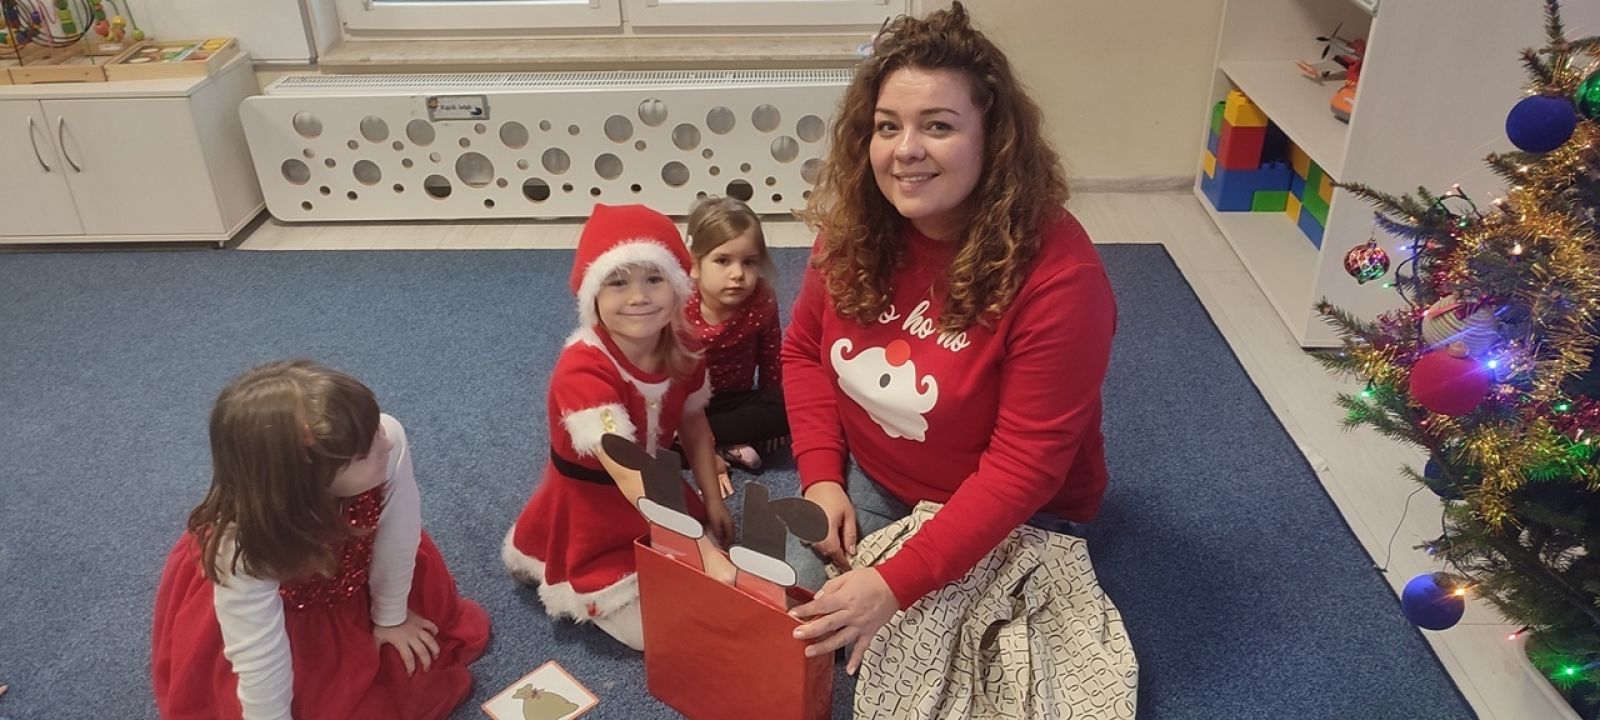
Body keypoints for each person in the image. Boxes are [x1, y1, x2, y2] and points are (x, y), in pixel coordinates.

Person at [781, 1, 1118, 675]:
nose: (906, 150)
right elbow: (803, 354)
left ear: (993, 139)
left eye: (938, 125)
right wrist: (821, 479)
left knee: (945, 673)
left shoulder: (1062, 278)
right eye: (888, 126)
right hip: (879, 480)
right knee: (791, 612)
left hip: (1020, 509)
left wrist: (896, 583)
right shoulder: (853, 231)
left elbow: (1023, 467)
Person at [151, 360, 490, 719]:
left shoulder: (384, 437)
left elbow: (399, 531)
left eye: (375, 428)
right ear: (307, 481)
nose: (387, 442)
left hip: (365, 566)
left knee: (411, 667)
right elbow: (258, 652)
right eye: (364, 453)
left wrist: (391, 616)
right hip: (289, 612)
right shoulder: (243, 545)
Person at [503, 203, 737, 651]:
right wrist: (703, 551)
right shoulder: (583, 368)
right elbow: (628, 471)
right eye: (617, 282)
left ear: (677, 285)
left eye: (654, 278)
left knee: (710, 588)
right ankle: (559, 562)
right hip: (595, 508)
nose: (638, 297)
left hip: (655, 490)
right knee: (658, 632)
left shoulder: (683, 347)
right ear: (592, 294)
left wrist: (711, 499)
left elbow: (693, 423)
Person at [683, 195, 789, 477]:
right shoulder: (679, 302)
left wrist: (772, 402)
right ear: (695, 264)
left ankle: (705, 442)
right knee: (646, 430)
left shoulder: (761, 298)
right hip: (686, 404)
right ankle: (708, 442)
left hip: (736, 400)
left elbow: (771, 355)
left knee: (790, 408)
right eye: (722, 261)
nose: (738, 274)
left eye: (749, 263)